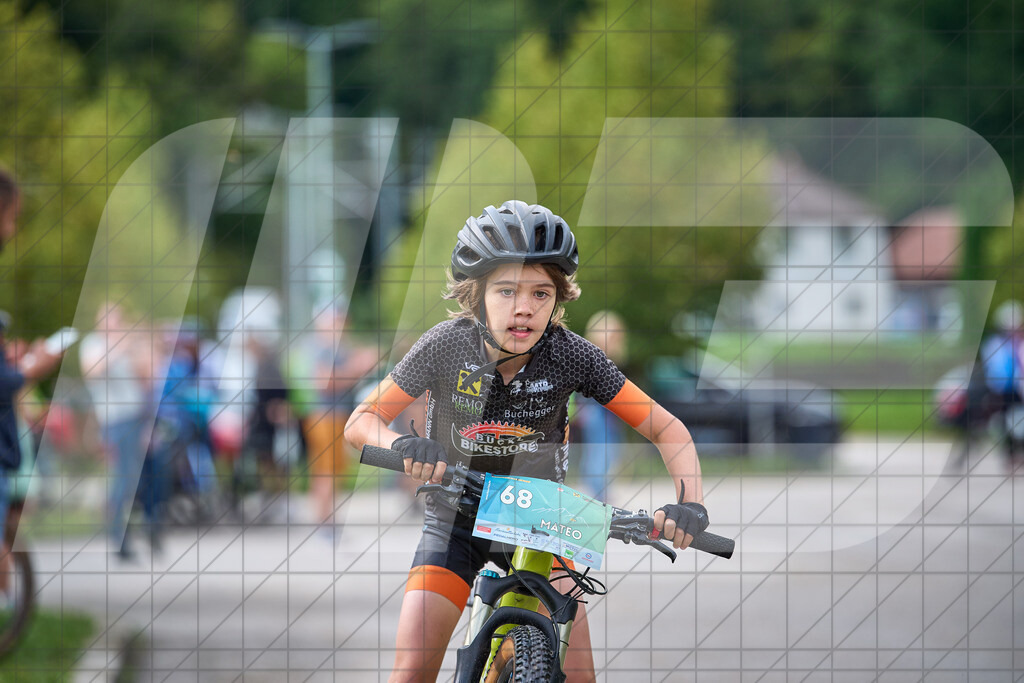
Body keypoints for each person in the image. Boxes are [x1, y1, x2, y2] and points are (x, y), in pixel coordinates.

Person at [345, 200, 709, 682]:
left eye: (541, 293)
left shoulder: (572, 355)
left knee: (579, 678)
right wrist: (403, 447)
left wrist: (692, 506)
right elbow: (361, 421)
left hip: (543, 523)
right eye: (506, 292)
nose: (524, 307)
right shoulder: (445, 345)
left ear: (558, 300)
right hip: (456, 517)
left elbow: (667, 429)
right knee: (412, 670)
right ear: (475, 296)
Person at [80, 301, 156, 558]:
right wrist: (121, 345)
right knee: (123, 478)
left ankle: (131, 532)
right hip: (114, 419)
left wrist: (142, 348)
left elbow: (146, 377)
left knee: (134, 477)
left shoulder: (127, 345)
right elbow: (92, 371)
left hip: (136, 416)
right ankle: (118, 536)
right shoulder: (93, 344)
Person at [573, 310, 629, 499]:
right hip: (595, 415)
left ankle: (603, 503)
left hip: (607, 418)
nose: (613, 340)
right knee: (597, 464)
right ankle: (603, 504)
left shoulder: (610, 360)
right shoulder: (591, 358)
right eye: (610, 335)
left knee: (603, 461)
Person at [980, 299, 1024, 469]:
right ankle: (1010, 455)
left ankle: (1016, 453)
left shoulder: (1019, 344)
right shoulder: (994, 344)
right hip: (1001, 391)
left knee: (1017, 422)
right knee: (1003, 424)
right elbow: (993, 368)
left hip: (1017, 390)